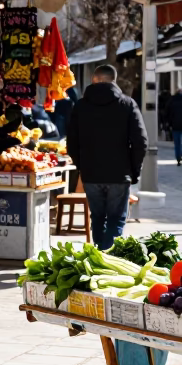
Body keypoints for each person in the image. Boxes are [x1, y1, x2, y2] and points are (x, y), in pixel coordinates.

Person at [66, 64, 147, 251]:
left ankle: (99, 255)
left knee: (98, 218)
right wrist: (134, 171)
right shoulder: (127, 104)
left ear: (93, 80)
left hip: (91, 174)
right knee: (116, 220)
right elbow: (140, 142)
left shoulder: (81, 106)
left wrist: (82, 166)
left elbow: (71, 143)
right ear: (114, 80)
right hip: (119, 174)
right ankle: (107, 258)